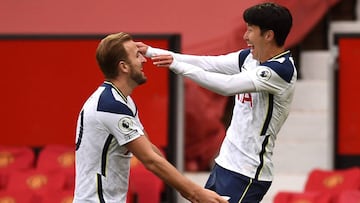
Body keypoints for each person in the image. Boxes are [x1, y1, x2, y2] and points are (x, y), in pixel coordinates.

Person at [136, 2, 296, 203]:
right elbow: (207, 63)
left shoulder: (281, 71)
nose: (245, 36)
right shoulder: (249, 58)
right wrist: (152, 51)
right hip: (225, 164)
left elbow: (227, 86)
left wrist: (177, 67)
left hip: (247, 173)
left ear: (268, 35)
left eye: (250, 30)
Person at [73, 32, 228, 203]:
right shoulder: (111, 106)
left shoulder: (122, 100)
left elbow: (151, 151)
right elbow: (150, 160)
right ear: (124, 67)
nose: (144, 60)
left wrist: (192, 188)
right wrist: (195, 194)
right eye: (137, 55)